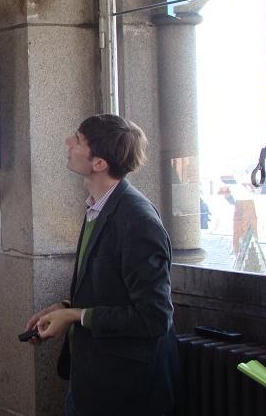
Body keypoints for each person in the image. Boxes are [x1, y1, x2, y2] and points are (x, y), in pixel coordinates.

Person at [25, 114, 179, 416]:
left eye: (78, 140)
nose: (68, 143)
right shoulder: (100, 205)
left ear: (99, 164)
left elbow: (154, 317)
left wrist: (76, 315)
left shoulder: (138, 220)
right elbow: (112, 289)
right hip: (91, 380)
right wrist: (66, 307)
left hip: (125, 390)